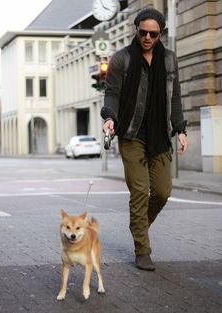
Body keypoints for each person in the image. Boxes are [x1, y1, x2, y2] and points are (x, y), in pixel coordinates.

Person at [101, 7, 188, 271]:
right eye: (143, 32)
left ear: (160, 34)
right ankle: (142, 249)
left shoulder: (170, 60)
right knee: (139, 191)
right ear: (136, 30)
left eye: (153, 34)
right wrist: (109, 117)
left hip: (160, 134)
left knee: (162, 192)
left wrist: (181, 129)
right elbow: (112, 93)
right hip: (130, 133)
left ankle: (137, 225)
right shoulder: (121, 59)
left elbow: (174, 98)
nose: (148, 38)